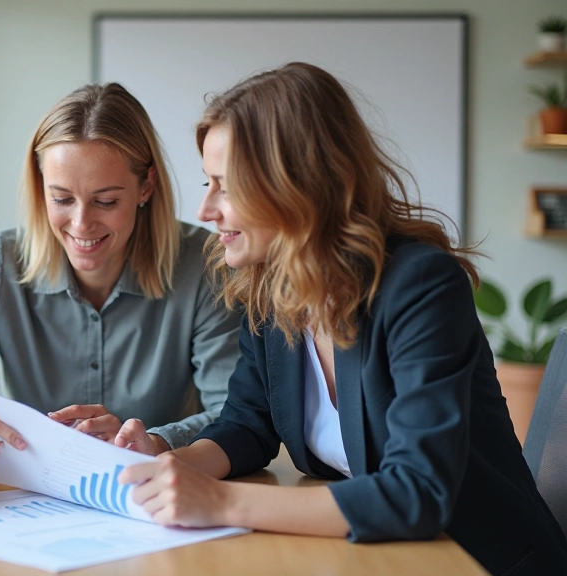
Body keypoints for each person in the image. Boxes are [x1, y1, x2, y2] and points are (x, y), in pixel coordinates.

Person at [117, 62, 567, 575]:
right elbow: (248, 422)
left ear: (295, 184)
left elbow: (416, 491)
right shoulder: (271, 288)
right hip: (380, 557)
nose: (205, 209)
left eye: (226, 186)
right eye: (207, 183)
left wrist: (217, 503)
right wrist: (171, 465)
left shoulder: (421, 285)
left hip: (477, 560)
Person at [0, 83, 241, 467]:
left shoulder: (204, 265)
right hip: (30, 503)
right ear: (40, 188)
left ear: (146, 186)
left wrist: (158, 441)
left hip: (155, 496)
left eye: (106, 201)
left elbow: (237, 413)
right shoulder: (0, 263)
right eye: (62, 199)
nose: (82, 224)